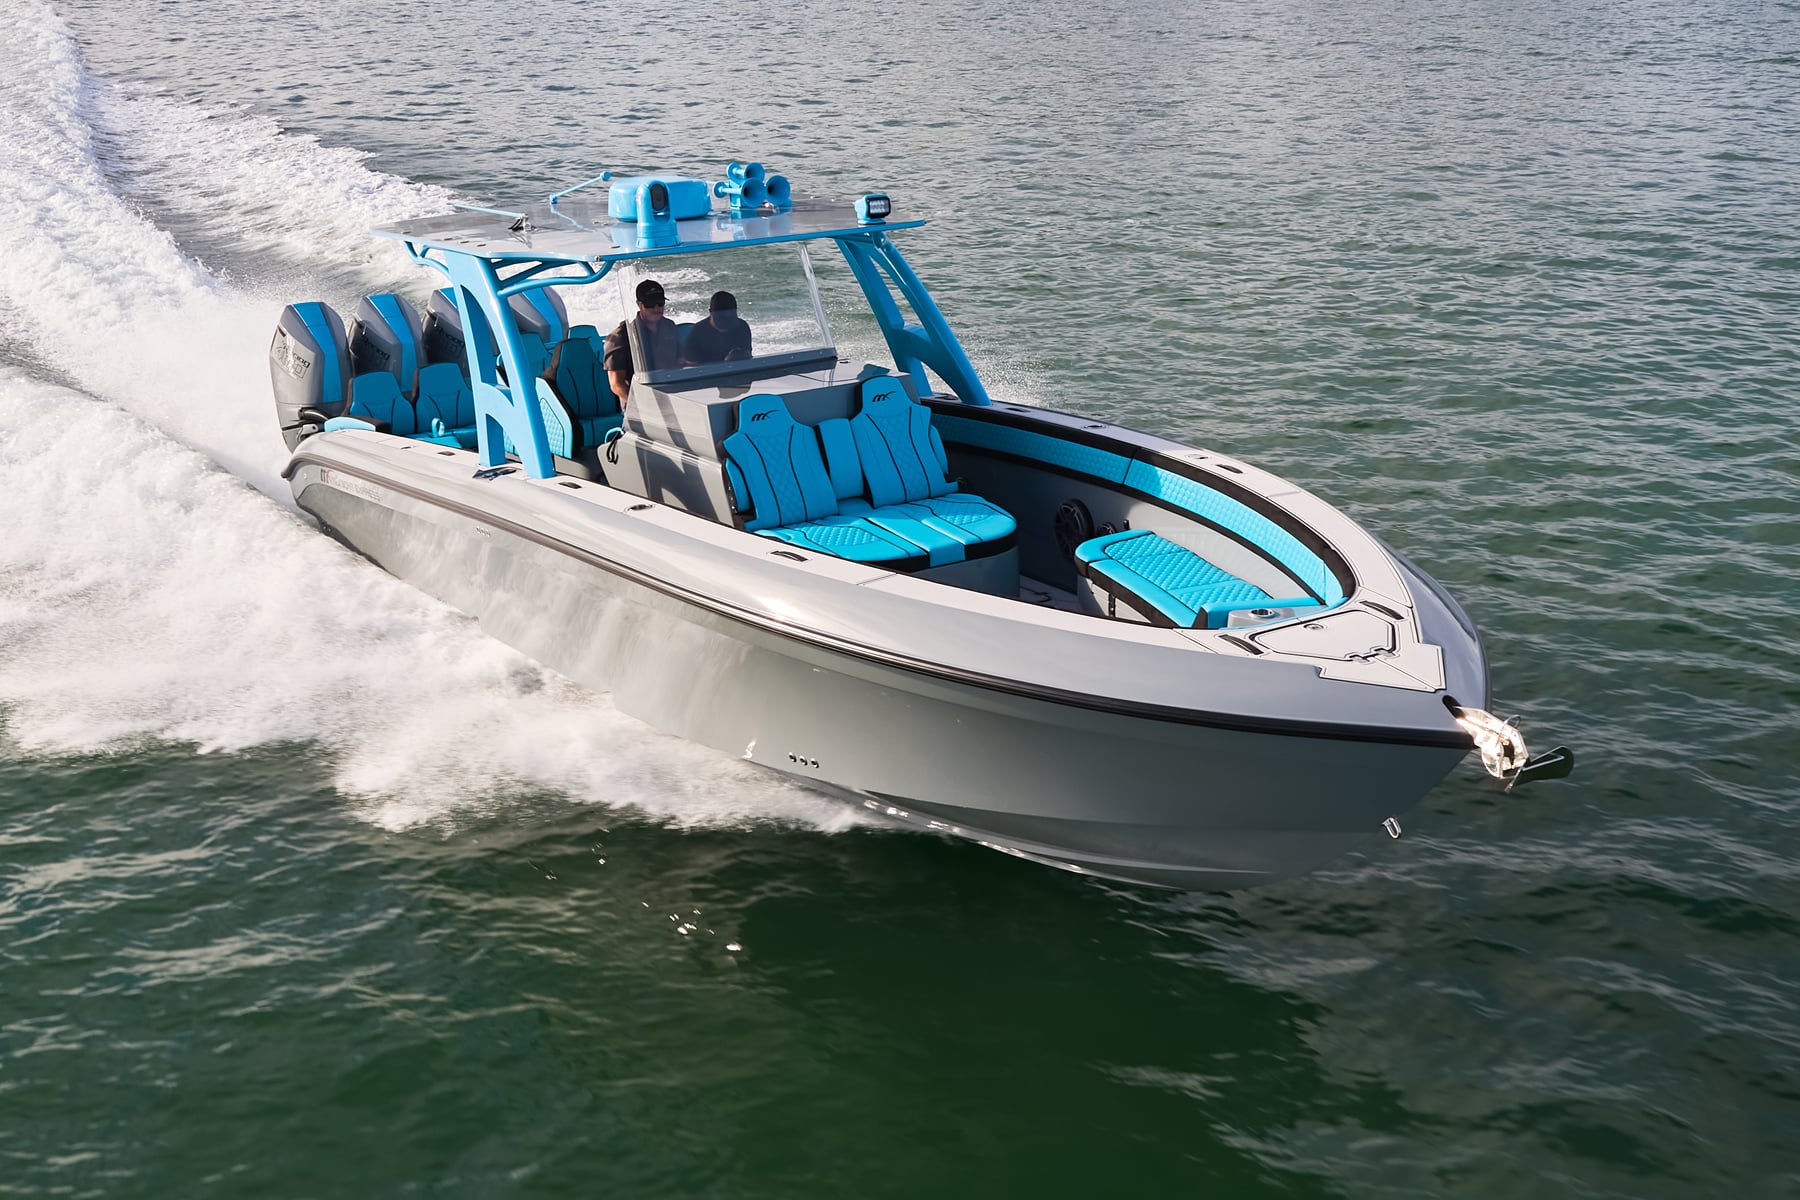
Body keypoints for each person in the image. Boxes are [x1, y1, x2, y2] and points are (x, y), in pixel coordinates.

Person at [603, 279, 680, 407]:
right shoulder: (620, 337)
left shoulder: (670, 327)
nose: (656, 308)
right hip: (637, 407)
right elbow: (616, 384)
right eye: (650, 304)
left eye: (660, 303)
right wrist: (642, 407)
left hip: (673, 399)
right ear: (639, 304)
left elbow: (680, 362)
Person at [681, 290, 753, 365]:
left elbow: (747, 358)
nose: (725, 321)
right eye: (721, 317)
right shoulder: (697, 332)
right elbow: (692, 365)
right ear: (710, 312)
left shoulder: (742, 327)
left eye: (730, 317)